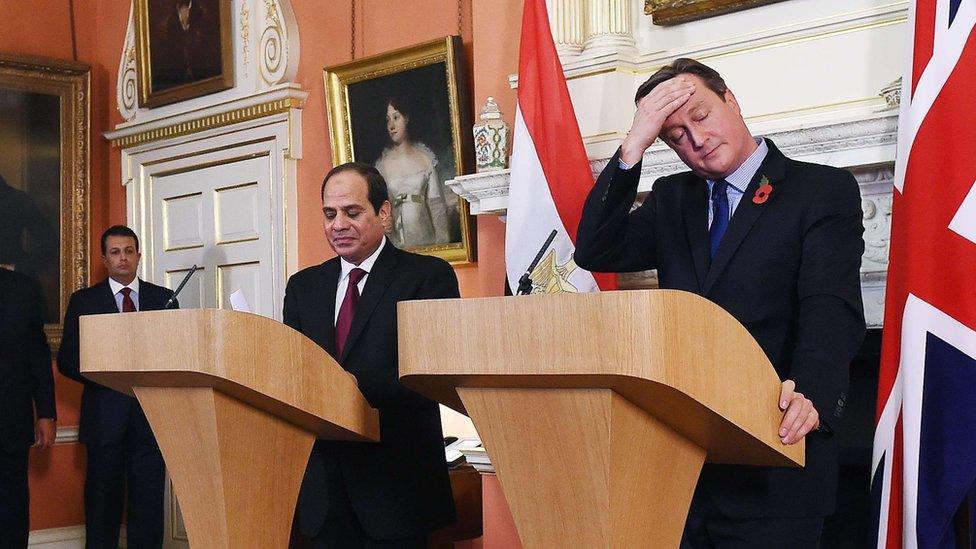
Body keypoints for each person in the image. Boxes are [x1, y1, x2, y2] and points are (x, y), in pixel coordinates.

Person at [575, 58, 866, 547]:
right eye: (675, 135)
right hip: (687, 474)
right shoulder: (672, 198)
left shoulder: (820, 189)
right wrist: (633, 145)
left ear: (731, 99)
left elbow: (829, 303)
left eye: (702, 115)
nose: (696, 139)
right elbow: (595, 250)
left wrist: (813, 392)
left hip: (778, 454)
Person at [283, 162, 458, 548]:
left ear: (383, 212)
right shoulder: (303, 287)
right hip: (324, 492)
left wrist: (343, 392)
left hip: (395, 487)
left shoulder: (427, 277)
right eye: (330, 214)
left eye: (352, 212)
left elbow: (430, 373)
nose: (338, 224)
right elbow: (294, 372)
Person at [57, 225, 176, 549]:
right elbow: (67, 359)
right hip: (103, 421)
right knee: (101, 508)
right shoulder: (84, 301)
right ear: (104, 259)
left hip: (152, 422)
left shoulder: (163, 298)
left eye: (128, 251)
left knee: (149, 508)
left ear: (138, 255)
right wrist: (107, 374)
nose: (122, 258)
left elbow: (177, 355)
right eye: (115, 252)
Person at [0, 265, 56, 547]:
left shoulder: (23, 288)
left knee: (11, 509)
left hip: (10, 418)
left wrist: (46, 412)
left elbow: (37, 354)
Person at [374, 97, 452, 248]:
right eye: (388, 120)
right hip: (396, 239)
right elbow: (380, 209)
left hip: (424, 233)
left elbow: (437, 206)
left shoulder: (425, 159)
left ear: (406, 119)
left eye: (396, 118)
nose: (391, 126)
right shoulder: (383, 165)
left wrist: (442, 244)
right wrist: (385, 225)